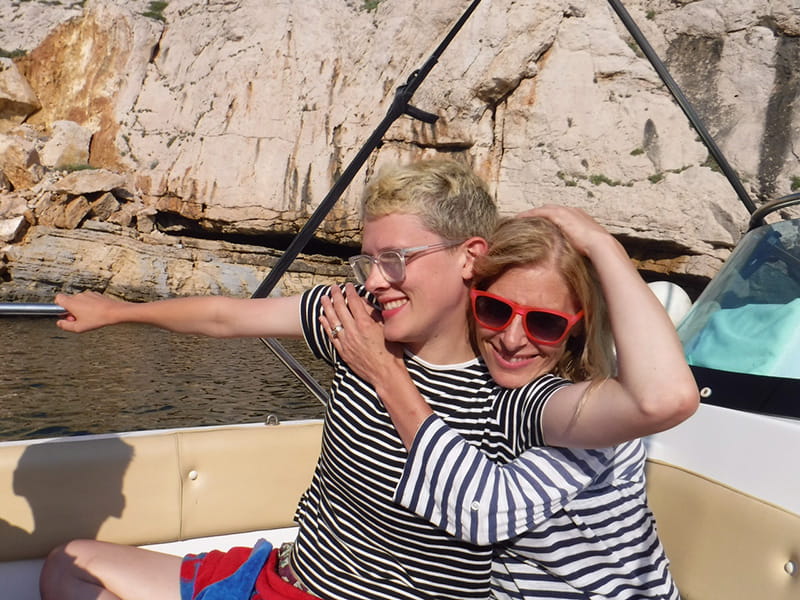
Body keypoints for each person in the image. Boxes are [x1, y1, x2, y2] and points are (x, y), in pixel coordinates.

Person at [41, 157, 507, 600]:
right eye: (370, 261)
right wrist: (117, 312)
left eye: (396, 258)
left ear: (469, 257)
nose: (378, 281)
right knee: (69, 565)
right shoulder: (356, 316)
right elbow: (225, 317)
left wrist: (584, 240)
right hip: (283, 572)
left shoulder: (512, 391)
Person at [318, 206, 699, 598]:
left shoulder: (585, 413)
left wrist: (605, 247)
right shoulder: (495, 387)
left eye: (544, 322)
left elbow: (483, 511)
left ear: (578, 327)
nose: (513, 339)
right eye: (495, 310)